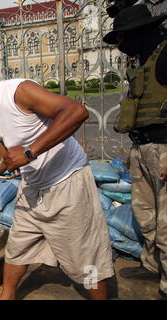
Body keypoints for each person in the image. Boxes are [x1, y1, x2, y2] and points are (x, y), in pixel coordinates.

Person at [0, 56, 114, 300]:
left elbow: (76, 111)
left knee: (85, 258)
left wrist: (30, 151)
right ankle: (7, 296)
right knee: (18, 247)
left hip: (67, 184)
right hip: (33, 188)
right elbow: (1, 163)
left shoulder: (19, 92)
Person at [103, 5, 167, 299]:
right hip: (142, 146)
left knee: (166, 222)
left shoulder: (165, 55)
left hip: (164, 149)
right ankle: (153, 265)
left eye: (123, 38)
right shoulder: (142, 61)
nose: (120, 45)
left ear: (141, 32)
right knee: (145, 215)